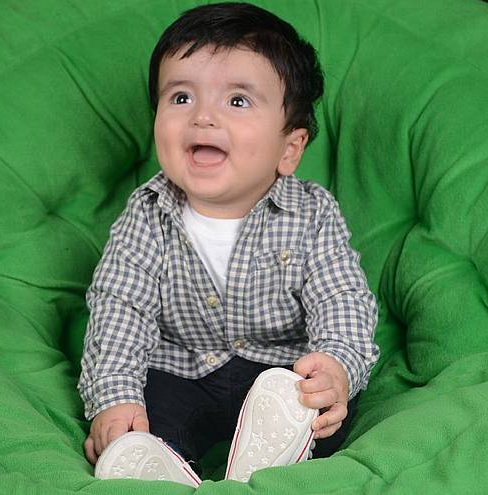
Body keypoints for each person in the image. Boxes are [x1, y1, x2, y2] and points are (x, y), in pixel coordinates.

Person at [78, 1, 380, 485]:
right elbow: (120, 308)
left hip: (277, 371)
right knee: (146, 415)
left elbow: (341, 298)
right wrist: (115, 399)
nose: (203, 117)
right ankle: (162, 466)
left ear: (289, 149)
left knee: (313, 402)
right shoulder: (147, 213)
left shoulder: (311, 213)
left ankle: (278, 455)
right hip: (181, 371)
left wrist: (336, 365)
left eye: (237, 101)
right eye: (181, 97)